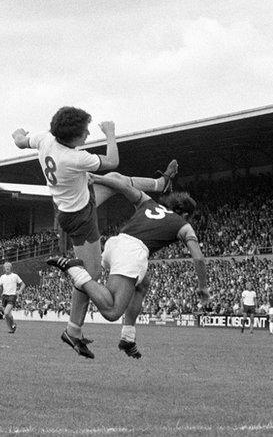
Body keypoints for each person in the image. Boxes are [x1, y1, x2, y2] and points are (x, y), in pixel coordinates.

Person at [13, 107, 176, 358]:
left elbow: (22, 141)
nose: (89, 134)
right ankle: (72, 331)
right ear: (73, 138)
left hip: (75, 203)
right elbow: (112, 158)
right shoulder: (74, 158)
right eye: (85, 132)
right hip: (80, 217)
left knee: (114, 178)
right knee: (91, 275)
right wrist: (110, 133)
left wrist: (18, 135)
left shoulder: (46, 139)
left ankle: (159, 184)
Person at [47, 172, 208, 359]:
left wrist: (97, 178)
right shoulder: (183, 225)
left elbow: (123, 186)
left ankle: (128, 337)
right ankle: (75, 270)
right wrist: (202, 286)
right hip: (131, 254)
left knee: (143, 282)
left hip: (115, 244)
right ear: (186, 214)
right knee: (112, 312)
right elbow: (198, 258)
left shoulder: (149, 202)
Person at [0, 262, 25, 333]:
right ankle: (12, 329)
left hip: (12, 296)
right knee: (8, 315)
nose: (7, 267)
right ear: (4, 268)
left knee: (6, 313)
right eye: (6, 266)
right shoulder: (2, 277)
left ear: (11, 268)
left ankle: (13, 324)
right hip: (4, 296)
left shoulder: (15, 276)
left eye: (9, 266)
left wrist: (19, 291)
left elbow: (23, 284)